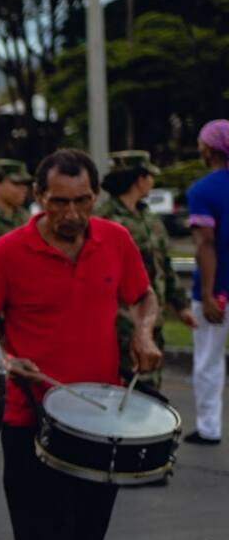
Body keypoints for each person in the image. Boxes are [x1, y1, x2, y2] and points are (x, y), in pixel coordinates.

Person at [0, 148, 162, 540]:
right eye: (59, 202)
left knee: (85, 537)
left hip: (101, 417)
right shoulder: (5, 254)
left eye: (82, 201)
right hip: (29, 416)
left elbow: (144, 296)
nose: (72, 213)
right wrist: (7, 359)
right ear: (39, 197)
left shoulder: (116, 240)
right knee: (44, 537)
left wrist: (144, 331)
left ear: (95, 196)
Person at [96, 150, 193, 390]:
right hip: (119, 322)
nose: (152, 181)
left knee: (151, 389)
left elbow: (164, 265)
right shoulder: (105, 219)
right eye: (149, 176)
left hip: (152, 318)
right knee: (122, 389)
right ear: (139, 179)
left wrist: (180, 305)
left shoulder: (149, 218)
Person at [185, 119, 229, 445]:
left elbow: (205, 245)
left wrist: (208, 294)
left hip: (218, 290)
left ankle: (209, 428)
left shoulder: (201, 190)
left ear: (209, 150)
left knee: (208, 362)